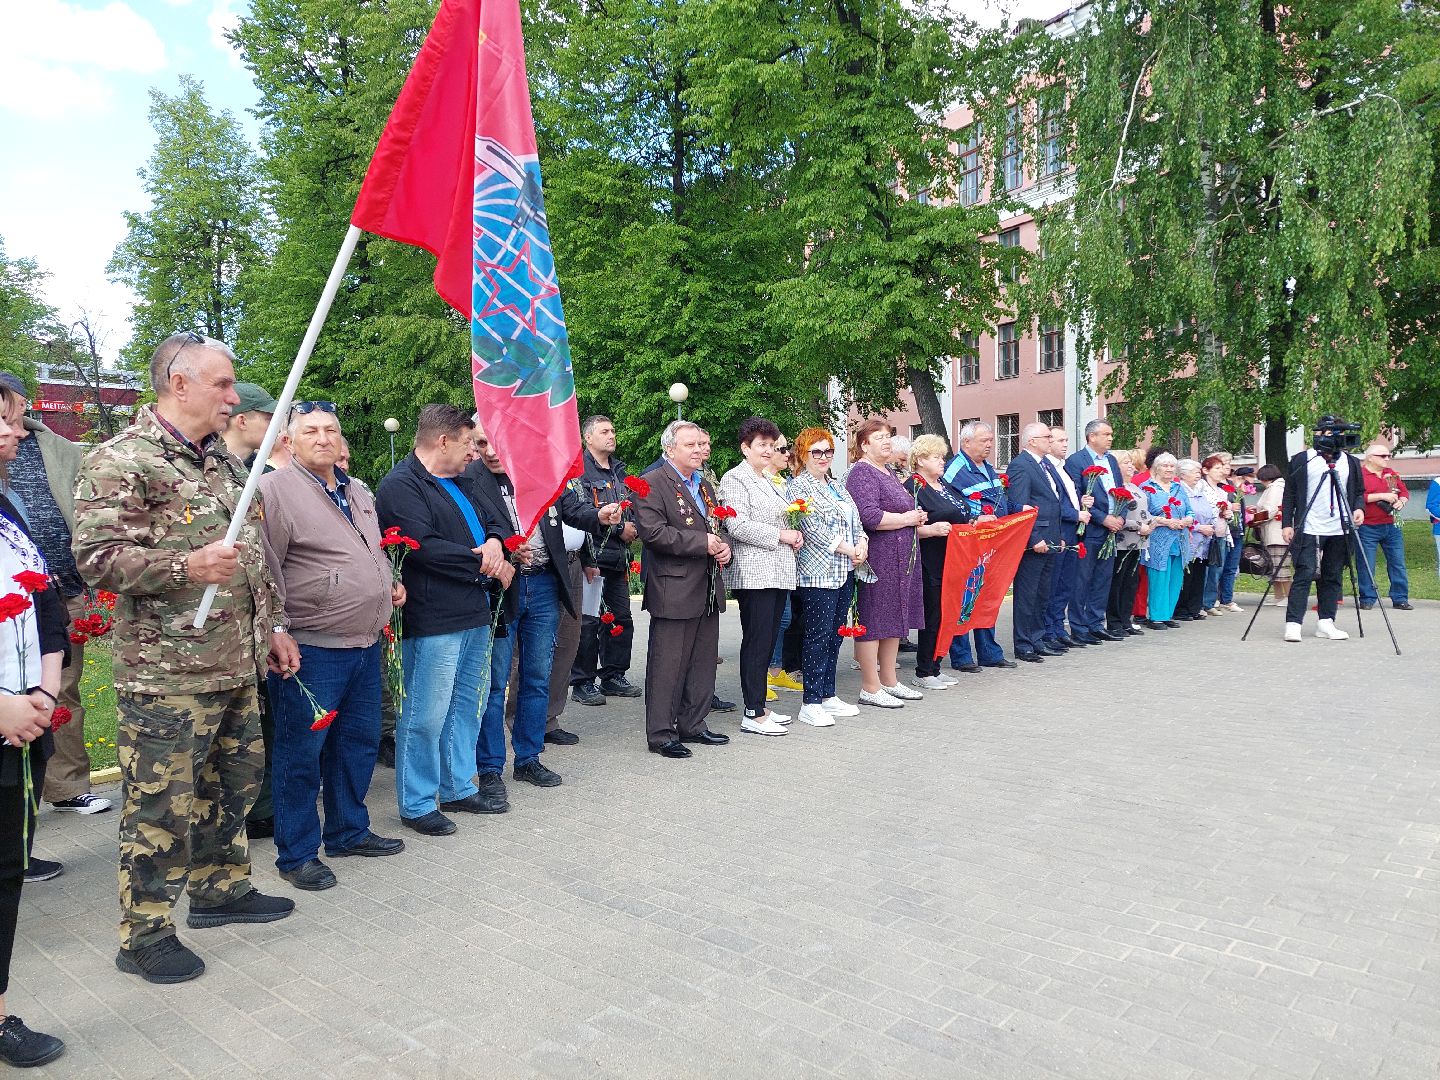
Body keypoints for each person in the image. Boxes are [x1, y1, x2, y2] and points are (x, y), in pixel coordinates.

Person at [73, 333, 301, 985]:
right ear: (180, 384)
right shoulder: (123, 459)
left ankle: (221, 892)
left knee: (232, 786)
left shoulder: (228, 465)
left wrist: (275, 625)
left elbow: (253, 554)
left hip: (234, 661)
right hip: (166, 673)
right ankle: (142, 933)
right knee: (162, 805)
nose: (234, 396)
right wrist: (183, 566)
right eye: (223, 384)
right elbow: (95, 558)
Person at [257, 402, 406, 892]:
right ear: (289, 440)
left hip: (364, 642)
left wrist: (387, 582)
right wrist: (276, 627)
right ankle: (297, 853)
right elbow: (267, 568)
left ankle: (348, 831)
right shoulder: (274, 491)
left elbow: (368, 549)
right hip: (312, 647)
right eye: (311, 431)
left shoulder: (355, 489)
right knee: (302, 753)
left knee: (356, 745)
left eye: (331, 430)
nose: (323, 438)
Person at [375, 405, 509, 834]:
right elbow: (421, 546)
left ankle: (457, 786)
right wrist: (486, 561)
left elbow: (495, 522)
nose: (475, 451)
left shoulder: (464, 483)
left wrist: (492, 542)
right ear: (443, 441)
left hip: (474, 611)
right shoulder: (401, 485)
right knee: (425, 713)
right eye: (469, 442)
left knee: (467, 705)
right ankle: (416, 802)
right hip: (434, 617)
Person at [466, 421, 608, 791]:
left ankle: (529, 758)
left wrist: (599, 517)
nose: (492, 452)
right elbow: (465, 534)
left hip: (545, 583)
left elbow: (572, 510)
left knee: (536, 676)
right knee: (495, 683)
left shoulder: (537, 471)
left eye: (499, 443)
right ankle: (491, 767)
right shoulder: (468, 479)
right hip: (501, 588)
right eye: (483, 443)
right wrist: (503, 549)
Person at [0, 374, 111, 828]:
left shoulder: (59, 450)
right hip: (13, 606)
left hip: (62, 590)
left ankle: (64, 788)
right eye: (8, 415)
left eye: (21, 413)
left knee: (61, 692)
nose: (17, 426)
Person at [0, 387, 68, 1067]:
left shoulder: (10, 508)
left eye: (16, 422)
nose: (16, 435)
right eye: (3, 422)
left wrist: (43, 691)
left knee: (5, 870)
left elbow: (46, 605)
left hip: (25, 718)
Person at [634, 422, 731, 758]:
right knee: (668, 664)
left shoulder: (703, 485)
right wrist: (701, 543)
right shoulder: (652, 482)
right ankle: (661, 734)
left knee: (703, 661)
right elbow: (653, 533)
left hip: (706, 586)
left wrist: (724, 546)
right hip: (673, 587)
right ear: (670, 448)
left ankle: (694, 724)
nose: (698, 450)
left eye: (701, 444)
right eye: (690, 444)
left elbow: (716, 527)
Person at [219, 380, 284, 841]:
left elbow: (263, 556)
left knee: (258, 724)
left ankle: (259, 809)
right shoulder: (218, 474)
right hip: (212, 634)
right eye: (267, 417)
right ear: (242, 419)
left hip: (255, 626)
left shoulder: (244, 474)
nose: (274, 426)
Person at [717, 418, 801, 735]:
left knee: (767, 639)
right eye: (761, 445)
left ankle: (761, 706)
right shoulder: (735, 479)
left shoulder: (767, 479)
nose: (768, 450)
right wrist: (781, 535)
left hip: (778, 570)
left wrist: (794, 533)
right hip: (755, 572)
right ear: (745, 448)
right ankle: (752, 711)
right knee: (756, 640)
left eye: (771, 444)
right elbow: (737, 526)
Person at [844, 420, 926, 707]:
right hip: (879, 558)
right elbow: (869, 516)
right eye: (879, 437)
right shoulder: (862, 473)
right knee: (875, 618)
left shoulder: (888, 471)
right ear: (864, 445)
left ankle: (889, 680)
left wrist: (915, 515)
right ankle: (870, 684)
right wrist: (907, 519)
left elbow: (898, 508)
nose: (887, 441)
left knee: (894, 619)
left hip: (901, 557)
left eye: (889, 436)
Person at [785, 428, 864, 727]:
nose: (823, 457)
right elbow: (813, 528)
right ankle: (811, 701)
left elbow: (855, 520)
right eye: (816, 452)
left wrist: (863, 545)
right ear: (804, 454)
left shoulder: (837, 486)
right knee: (817, 637)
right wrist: (849, 549)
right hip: (817, 573)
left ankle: (828, 695)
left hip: (844, 571)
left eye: (828, 451)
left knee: (834, 635)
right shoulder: (798, 488)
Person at [570, 416, 641, 707]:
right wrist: (617, 529)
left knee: (621, 618)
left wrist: (633, 525)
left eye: (613, 430)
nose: (612, 435)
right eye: (605, 431)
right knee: (588, 621)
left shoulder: (619, 471)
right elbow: (580, 513)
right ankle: (582, 681)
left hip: (619, 558)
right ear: (588, 438)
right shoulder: (579, 472)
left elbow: (632, 506)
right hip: (593, 556)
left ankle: (613, 675)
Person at [1281, 417, 1365, 643]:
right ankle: (1293, 624)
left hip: (1340, 526)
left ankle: (1326, 622)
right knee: (1305, 572)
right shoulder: (1303, 459)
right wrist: (1287, 523)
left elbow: (1358, 491)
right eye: (1327, 433)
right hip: (1309, 525)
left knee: (1333, 574)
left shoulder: (1351, 462)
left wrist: (1358, 508)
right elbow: (1289, 493)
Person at [941, 422, 1015, 671]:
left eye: (991, 440)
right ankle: (961, 656)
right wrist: (975, 519)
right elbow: (951, 507)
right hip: (966, 545)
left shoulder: (989, 468)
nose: (990, 444)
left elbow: (998, 502)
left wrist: (1017, 512)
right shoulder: (954, 470)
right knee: (964, 597)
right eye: (984, 440)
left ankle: (989, 653)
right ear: (966, 443)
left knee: (986, 595)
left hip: (989, 545)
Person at [906, 435, 970, 689]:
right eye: (936, 457)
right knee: (932, 614)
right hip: (929, 559)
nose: (942, 462)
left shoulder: (944, 485)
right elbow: (906, 527)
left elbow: (961, 513)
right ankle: (923, 671)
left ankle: (936, 664)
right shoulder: (913, 488)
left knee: (946, 613)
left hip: (952, 558)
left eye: (942, 457)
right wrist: (931, 529)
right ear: (921, 460)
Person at [1005, 423, 1064, 662]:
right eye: (1047, 436)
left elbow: (1053, 501)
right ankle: (1024, 644)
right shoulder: (1021, 465)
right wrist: (1034, 538)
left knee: (1043, 593)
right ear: (1031, 441)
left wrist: (1057, 534)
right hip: (1034, 540)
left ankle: (1037, 639)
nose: (1051, 440)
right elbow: (1021, 506)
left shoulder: (1045, 464)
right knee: (1028, 594)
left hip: (1050, 536)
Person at [1064, 419, 1126, 643]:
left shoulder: (1110, 460)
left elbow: (1120, 491)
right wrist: (1103, 518)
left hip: (1111, 529)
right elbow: (1076, 497)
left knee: (1102, 579)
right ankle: (1079, 627)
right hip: (1089, 530)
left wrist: (1120, 516)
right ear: (1092, 437)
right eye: (1106, 434)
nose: (1110, 438)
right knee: (1082, 579)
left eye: (1111, 434)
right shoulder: (1076, 461)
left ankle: (1095, 623)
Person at [1042, 427, 1090, 650]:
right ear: (1048, 442)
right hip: (1058, 531)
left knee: (1065, 584)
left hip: (1072, 532)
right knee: (1053, 584)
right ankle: (1049, 630)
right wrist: (1075, 513)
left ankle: (1058, 628)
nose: (1065, 444)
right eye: (1060, 440)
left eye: (1067, 440)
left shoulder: (1065, 468)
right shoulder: (1047, 467)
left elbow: (1069, 497)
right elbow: (1053, 503)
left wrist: (1082, 502)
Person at [764, 432, 802, 698]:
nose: (787, 454)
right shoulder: (759, 482)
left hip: (786, 560)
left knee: (785, 617)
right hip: (764, 562)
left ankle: (775, 671)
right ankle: (762, 674)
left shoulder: (785, 482)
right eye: (782, 449)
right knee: (769, 621)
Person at [1137, 453, 1192, 629]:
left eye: (1171, 466)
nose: (1168, 469)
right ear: (1156, 468)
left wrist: (1187, 520)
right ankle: (1156, 617)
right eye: (1165, 466)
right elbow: (1143, 514)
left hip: (1179, 538)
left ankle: (1168, 614)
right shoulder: (1147, 488)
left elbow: (1189, 510)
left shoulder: (1179, 487)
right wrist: (1165, 521)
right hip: (1158, 539)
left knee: (1176, 577)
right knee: (1159, 576)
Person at [1355, 442, 1412, 610]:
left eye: (1388, 455)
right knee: (1366, 563)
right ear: (1370, 458)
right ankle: (1367, 598)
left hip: (1391, 524)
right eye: (1383, 456)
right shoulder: (1360, 475)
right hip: (1367, 526)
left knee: (1397, 562)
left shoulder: (1390, 473)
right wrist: (1381, 496)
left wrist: (1401, 501)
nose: (1387, 459)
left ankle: (1400, 598)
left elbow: (1404, 492)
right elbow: (1357, 497)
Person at [1104, 450, 1153, 636]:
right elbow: (1117, 515)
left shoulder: (1135, 487)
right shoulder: (1115, 488)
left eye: (1132, 463)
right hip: (1122, 541)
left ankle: (1126, 619)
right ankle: (1114, 621)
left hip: (1138, 542)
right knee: (1118, 582)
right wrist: (1137, 525)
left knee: (1131, 582)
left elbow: (1144, 512)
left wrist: (1151, 523)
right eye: (1126, 463)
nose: (1131, 466)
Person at [1174, 459, 1219, 621]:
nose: (1198, 475)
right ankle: (1182, 609)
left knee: (1199, 575)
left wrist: (1212, 524)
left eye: (1199, 472)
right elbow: (1182, 514)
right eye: (1194, 472)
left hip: (1204, 542)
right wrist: (1200, 528)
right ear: (1183, 474)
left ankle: (1194, 608)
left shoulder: (1199, 490)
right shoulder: (1180, 491)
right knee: (1187, 575)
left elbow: (1208, 511)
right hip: (1190, 539)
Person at [1198, 454, 1237, 616]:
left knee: (1217, 569)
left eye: (1222, 468)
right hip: (1207, 533)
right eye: (1217, 468)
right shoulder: (1201, 487)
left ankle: (1209, 602)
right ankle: (1199, 603)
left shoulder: (1221, 490)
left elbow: (1228, 512)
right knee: (1204, 570)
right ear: (1206, 470)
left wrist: (1229, 514)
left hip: (1221, 533)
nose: (1221, 471)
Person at [1251, 464, 1290, 605]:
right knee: (1274, 567)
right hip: (1271, 532)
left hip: (1276, 534)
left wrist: (1254, 518)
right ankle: (1279, 596)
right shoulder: (1274, 488)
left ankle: (1289, 597)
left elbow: (1270, 510)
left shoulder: (1275, 489)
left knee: (1281, 567)